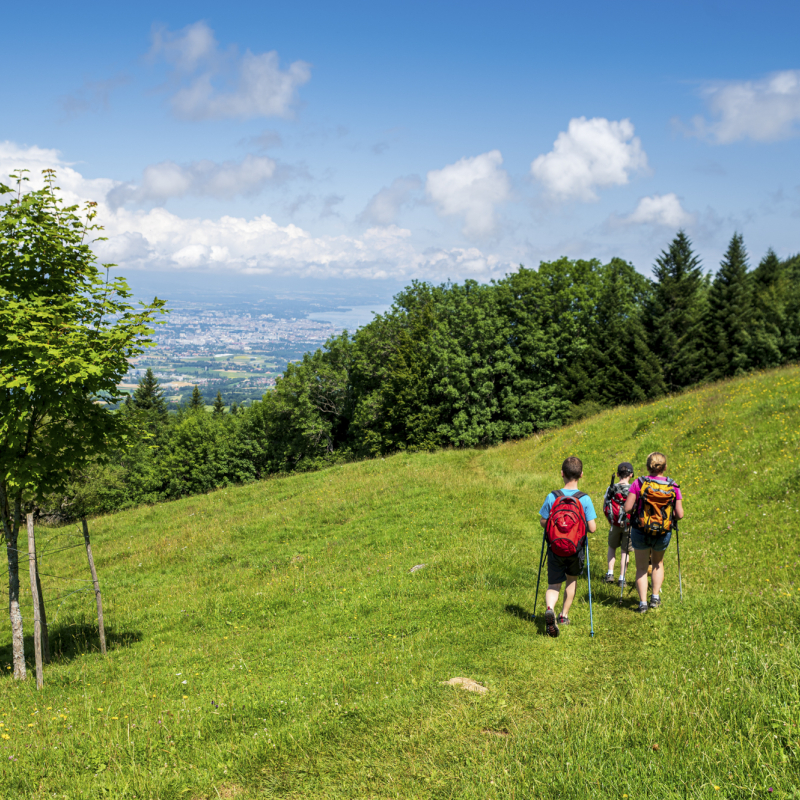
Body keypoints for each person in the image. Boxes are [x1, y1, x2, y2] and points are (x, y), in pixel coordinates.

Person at [539, 456, 597, 637]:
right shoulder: (584, 499)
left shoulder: (553, 496)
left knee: (554, 583)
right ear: (581, 475)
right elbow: (592, 528)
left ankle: (550, 608)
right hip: (575, 549)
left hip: (555, 548)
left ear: (562, 474)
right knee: (571, 580)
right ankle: (563, 616)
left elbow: (543, 521)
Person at [623, 451, 684, 613]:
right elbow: (680, 515)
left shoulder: (639, 483)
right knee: (658, 564)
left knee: (642, 568)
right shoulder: (673, 485)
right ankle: (655, 598)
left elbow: (628, 508)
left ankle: (642, 603)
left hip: (640, 529)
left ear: (648, 466)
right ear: (665, 467)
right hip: (663, 532)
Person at [603, 462, 634, 587]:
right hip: (629, 524)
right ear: (631, 475)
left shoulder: (612, 488)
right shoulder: (633, 489)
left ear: (617, 474)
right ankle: (622, 578)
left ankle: (610, 573)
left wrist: (611, 520)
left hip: (615, 523)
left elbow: (605, 505)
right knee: (625, 551)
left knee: (612, 547)